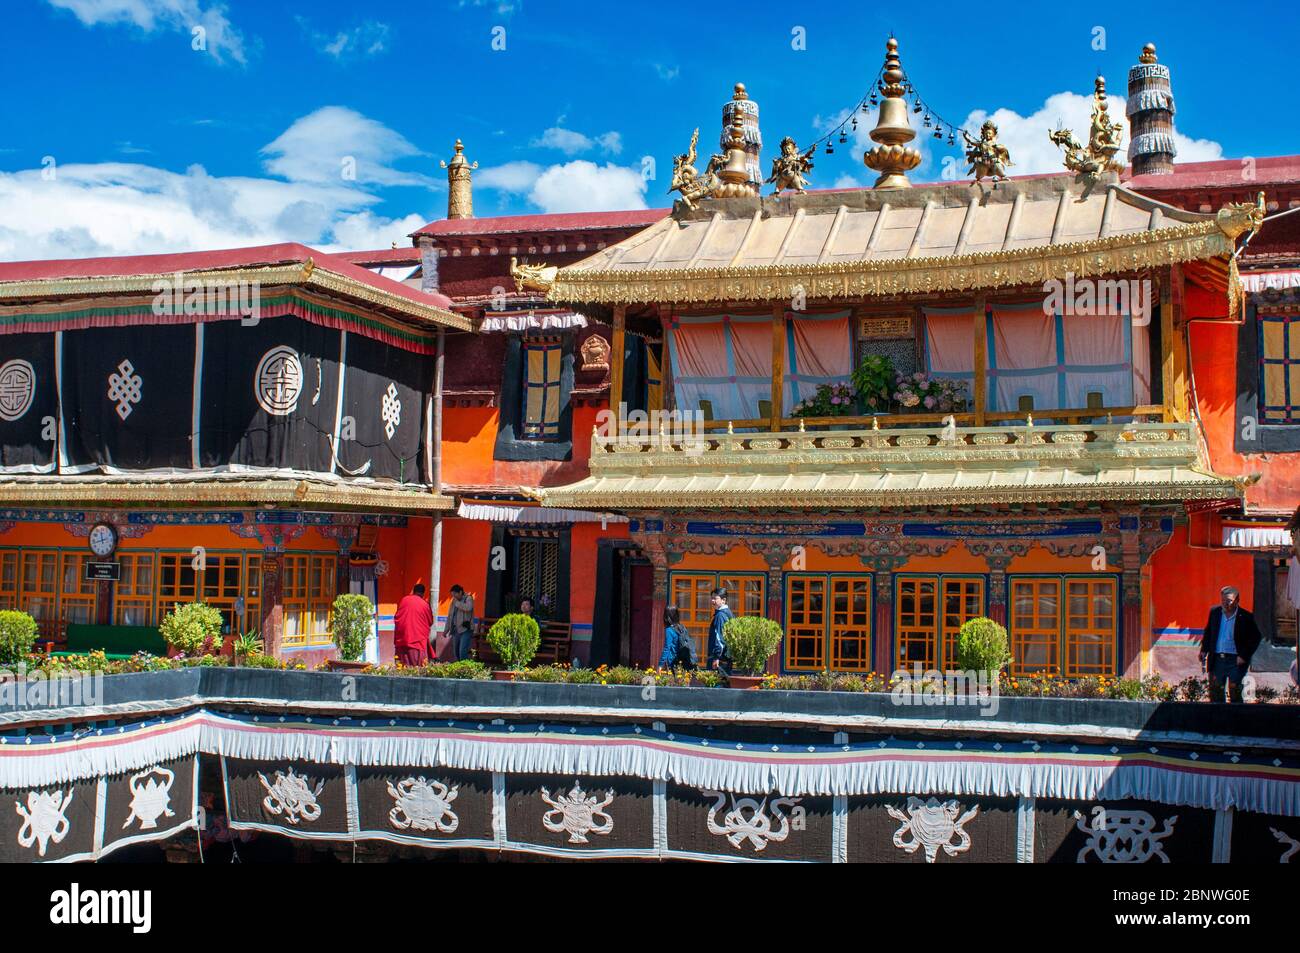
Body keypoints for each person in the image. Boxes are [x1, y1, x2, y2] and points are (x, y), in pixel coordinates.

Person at [1199, 586, 1262, 704]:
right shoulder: (1215, 613)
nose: (1225, 603)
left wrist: (1243, 656)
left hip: (1235, 661)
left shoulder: (1246, 617)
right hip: (1217, 659)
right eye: (1223, 600)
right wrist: (1204, 650)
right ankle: (1217, 720)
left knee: (1235, 693)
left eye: (1229, 601)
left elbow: (1255, 637)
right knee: (1216, 694)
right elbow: (1208, 632)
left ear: (1237, 600)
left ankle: (1235, 721)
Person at [393, 583, 434, 668]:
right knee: (417, 667)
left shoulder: (404, 600)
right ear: (423, 593)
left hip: (402, 638)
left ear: (413, 591)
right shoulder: (424, 604)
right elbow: (430, 621)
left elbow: (397, 616)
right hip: (417, 640)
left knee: (402, 666)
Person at [657, 605, 697, 670]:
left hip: (673, 661)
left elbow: (667, 648)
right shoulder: (681, 627)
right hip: (684, 660)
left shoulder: (669, 630)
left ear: (667, 617)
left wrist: (660, 664)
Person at [446, 584, 476, 662]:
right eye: (452, 595)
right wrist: (446, 630)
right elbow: (450, 616)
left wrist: (458, 604)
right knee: (456, 652)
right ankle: (460, 668)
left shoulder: (468, 598)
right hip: (456, 630)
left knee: (462, 651)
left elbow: (468, 608)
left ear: (460, 592)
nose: (454, 597)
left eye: (455, 594)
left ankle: (464, 669)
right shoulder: (454, 601)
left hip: (466, 629)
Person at [707, 588, 734, 673]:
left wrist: (716, 657)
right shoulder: (729, 613)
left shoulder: (720, 615)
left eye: (715, 598)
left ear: (723, 600)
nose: (712, 600)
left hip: (720, 659)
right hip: (727, 657)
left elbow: (720, 638)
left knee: (716, 684)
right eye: (712, 598)